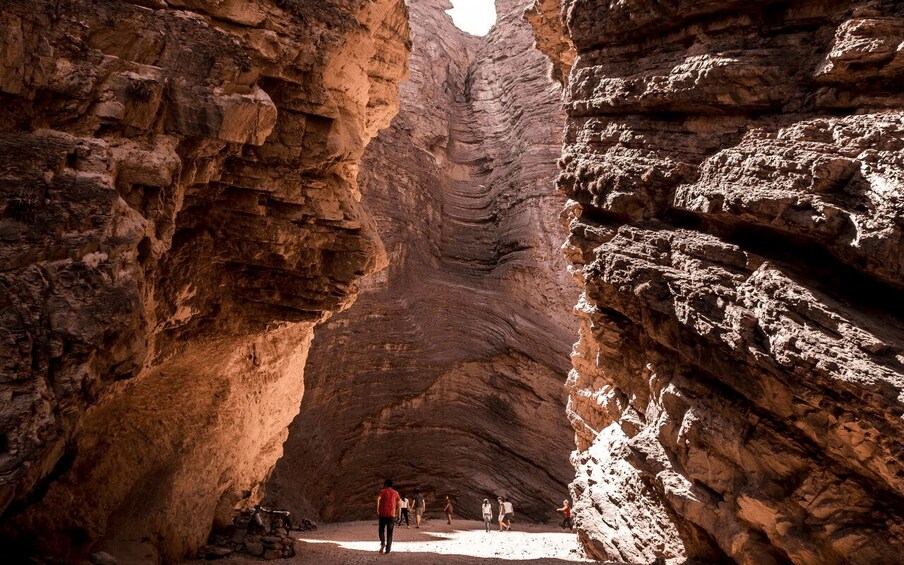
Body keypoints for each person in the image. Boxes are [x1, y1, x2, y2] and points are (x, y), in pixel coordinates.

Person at [376, 479, 401, 554]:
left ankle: (383, 543)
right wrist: (399, 515)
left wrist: (377, 509)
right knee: (390, 532)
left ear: (385, 484)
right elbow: (399, 505)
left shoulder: (382, 491)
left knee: (381, 530)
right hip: (391, 515)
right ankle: (388, 549)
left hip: (382, 514)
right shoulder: (396, 493)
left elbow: (378, 500)